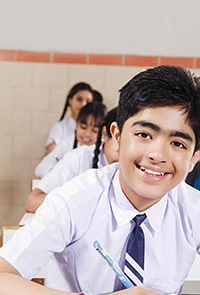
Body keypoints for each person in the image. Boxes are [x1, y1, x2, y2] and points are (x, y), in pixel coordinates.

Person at [0, 65, 200, 295]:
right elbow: (2, 276)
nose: (158, 155)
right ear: (117, 136)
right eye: (144, 135)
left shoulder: (193, 209)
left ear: (194, 157)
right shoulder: (76, 199)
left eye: (178, 144)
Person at [25, 107, 119, 213]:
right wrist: (78, 198)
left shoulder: (137, 169)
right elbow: (32, 202)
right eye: (121, 139)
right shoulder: (78, 158)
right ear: (106, 133)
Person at [35, 102, 106, 178]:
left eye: (94, 130)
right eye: (83, 127)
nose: (87, 134)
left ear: (103, 132)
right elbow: (40, 169)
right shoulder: (68, 144)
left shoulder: (106, 150)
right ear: (76, 125)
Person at [45, 82, 94, 155]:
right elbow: (50, 153)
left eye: (88, 101)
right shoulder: (59, 128)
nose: (84, 104)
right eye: (79, 99)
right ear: (70, 100)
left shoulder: (99, 130)